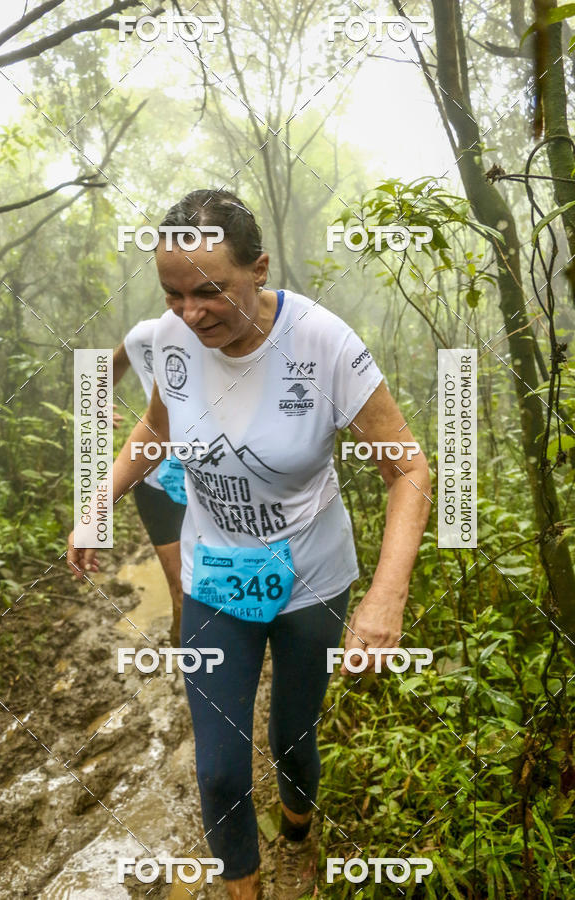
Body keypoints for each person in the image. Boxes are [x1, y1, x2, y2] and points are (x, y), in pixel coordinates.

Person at [67, 190, 431, 900]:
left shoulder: (323, 343)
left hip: (311, 579)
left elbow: (408, 467)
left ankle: (297, 822)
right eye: (173, 295)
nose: (190, 314)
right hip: (215, 577)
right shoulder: (172, 338)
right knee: (221, 770)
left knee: (294, 739)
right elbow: (154, 432)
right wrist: (96, 502)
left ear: (258, 268)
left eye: (210, 293)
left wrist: (386, 598)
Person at [113, 321, 186, 643]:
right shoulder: (146, 334)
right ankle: (188, 664)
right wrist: (97, 402)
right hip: (158, 481)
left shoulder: (241, 343)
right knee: (183, 591)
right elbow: (102, 370)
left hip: (219, 487)